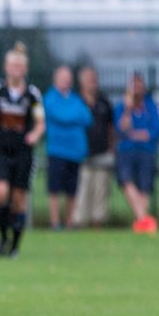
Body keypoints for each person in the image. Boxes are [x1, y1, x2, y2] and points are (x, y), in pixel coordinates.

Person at [0, 42, 44, 257]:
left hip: (23, 153)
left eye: (18, 66)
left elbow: (40, 122)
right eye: (11, 65)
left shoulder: (32, 95)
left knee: (19, 200)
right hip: (1, 152)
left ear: (25, 69)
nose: (15, 69)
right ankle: (2, 238)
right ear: (6, 67)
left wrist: (35, 134)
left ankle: (15, 245)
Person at [42, 65, 91, 230]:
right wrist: (72, 116)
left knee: (72, 190)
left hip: (75, 152)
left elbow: (86, 118)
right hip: (57, 151)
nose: (66, 81)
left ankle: (70, 222)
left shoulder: (76, 99)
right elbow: (59, 115)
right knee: (54, 188)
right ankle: (55, 222)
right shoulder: (49, 98)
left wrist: (70, 116)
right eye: (63, 77)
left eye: (68, 77)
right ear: (56, 79)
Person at [114, 73, 159, 234]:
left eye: (139, 85)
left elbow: (155, 130)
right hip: (127, 151)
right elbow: (122, 129)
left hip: (146, 151)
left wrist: (141, 134)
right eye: (134, 86)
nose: (137, 89)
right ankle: (144, 220)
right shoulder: (122, 107)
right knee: (125, 179)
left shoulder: (151, 106)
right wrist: (128, 110)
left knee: (144, 186)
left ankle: (141, 223)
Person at [72, 66, 115, 229]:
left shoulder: (104, 102)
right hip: (81, 154)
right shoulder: (75, 101)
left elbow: (111, 127)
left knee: (101, 190)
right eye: (90, 79)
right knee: (82, 190)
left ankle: (98, 224)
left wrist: (112, 148)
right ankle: (79, 222)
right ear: (81, 81)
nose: (93, 83)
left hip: (102, 153)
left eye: (95, 79)